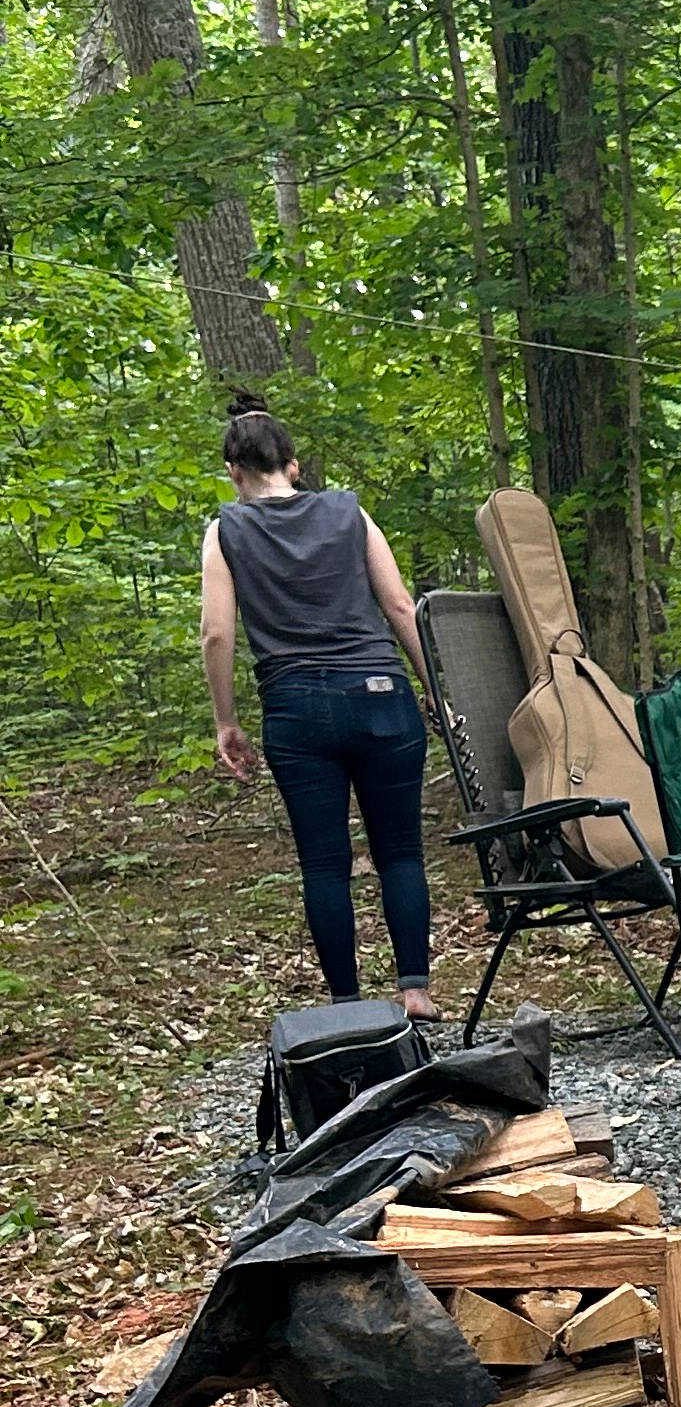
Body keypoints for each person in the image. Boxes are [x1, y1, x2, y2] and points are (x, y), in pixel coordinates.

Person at [198, 409, 439, 1017]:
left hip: (296, 707)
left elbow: (217, 634)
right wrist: (436, 688)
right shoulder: (350, 512)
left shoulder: (225, 530)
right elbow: (401, 606)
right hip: (382, 692)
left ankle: (348, 1004)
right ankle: (415, 990)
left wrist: (226, 721)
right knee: (401, 852)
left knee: (324, 862)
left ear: (233, 472)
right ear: (294, 465)